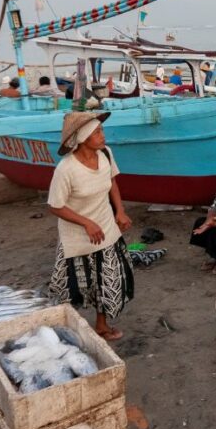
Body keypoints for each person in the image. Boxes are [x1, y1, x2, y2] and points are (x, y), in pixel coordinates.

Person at [47, 111, 133, 341]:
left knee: (109, 279)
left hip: (106, 229)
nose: (103, 135)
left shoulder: (105, 153)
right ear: (83, 138)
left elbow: (111, 181)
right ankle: (65, 334)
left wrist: (120, 211)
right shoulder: (66, 169)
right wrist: (86, 223)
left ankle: (102, 326)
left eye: (101, 130)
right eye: (97, 132)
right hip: (76, 236)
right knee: (71, 288)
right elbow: (55, 206)